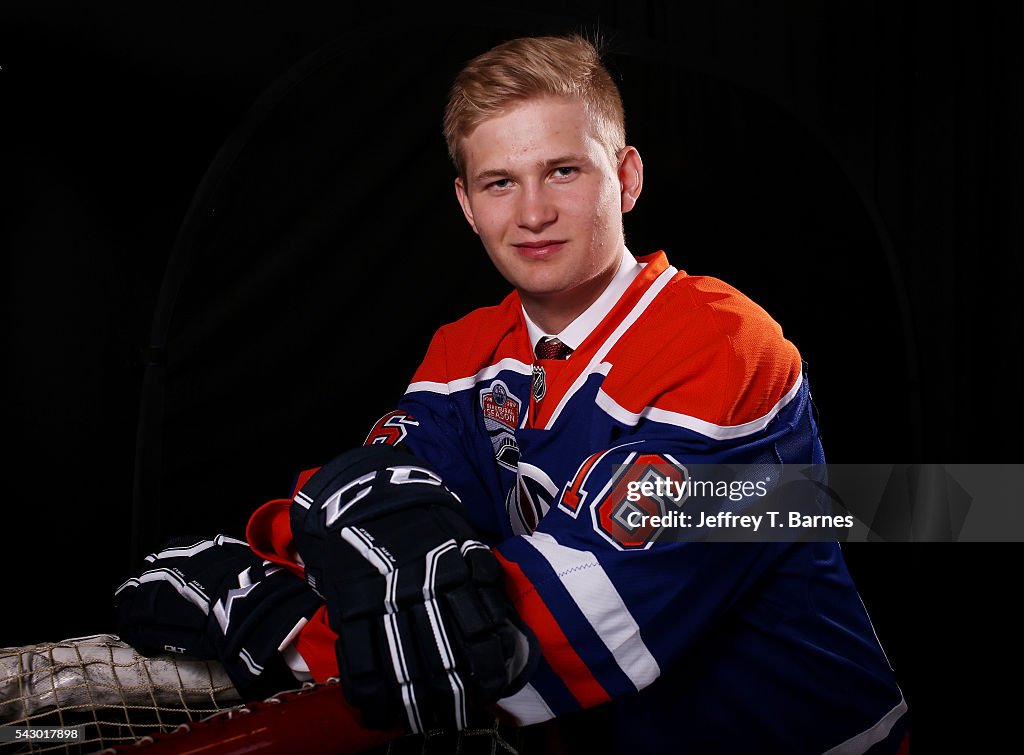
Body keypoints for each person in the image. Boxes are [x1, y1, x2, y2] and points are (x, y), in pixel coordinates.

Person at [115, 34, 908, 754]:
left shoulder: (725, 347)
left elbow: (546, 637)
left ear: (625, 178)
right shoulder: (465, 349)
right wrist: (307, 533)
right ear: (466, 204)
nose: (531, 213)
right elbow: (364, 519)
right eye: (499, 181)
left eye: (562, 170)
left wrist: (269, 620)